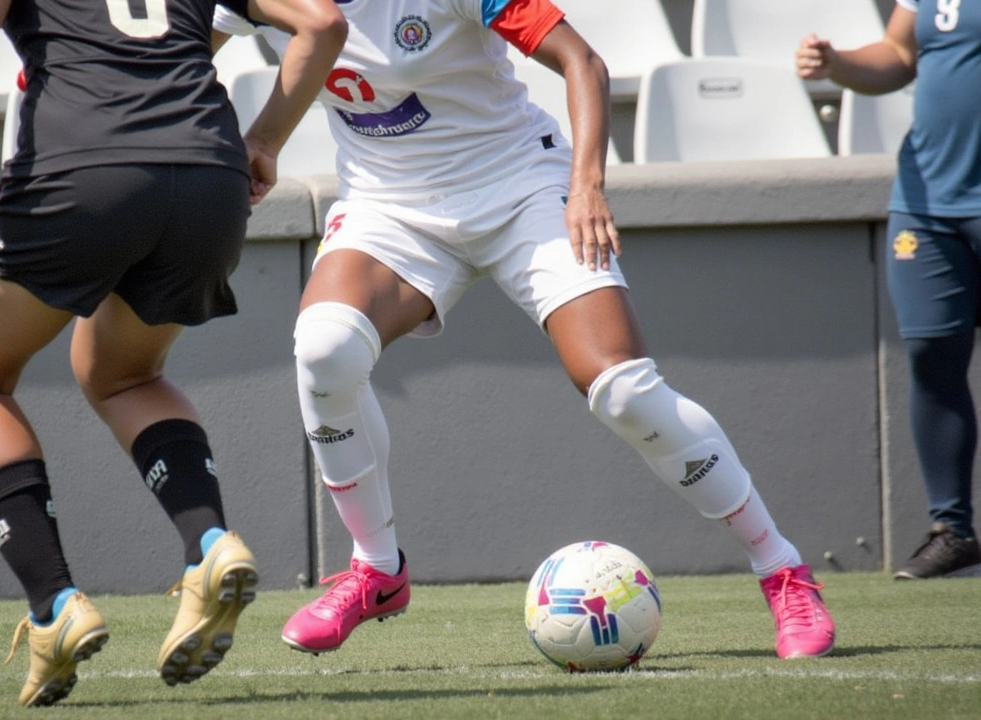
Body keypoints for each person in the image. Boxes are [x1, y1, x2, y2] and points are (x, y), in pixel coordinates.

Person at [214, 0, 835, 660]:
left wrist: (587, 183)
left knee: (623, 392)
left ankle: (783, 569)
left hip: (520, 187)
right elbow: (177, 54)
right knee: (324, 349)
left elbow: (582, 62)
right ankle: (377, 570)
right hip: (388, 206)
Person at [0, 0, 345, 705]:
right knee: (123, 374)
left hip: (87, 169)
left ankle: (53, 604)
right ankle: (208, 544)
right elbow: (323, 24)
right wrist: (264, 140)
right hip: (210, 178)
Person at [797, 1, 981, 580]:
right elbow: (901, 54)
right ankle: (951, 530)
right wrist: (838, 64)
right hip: (927, 203)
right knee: (931, 353)